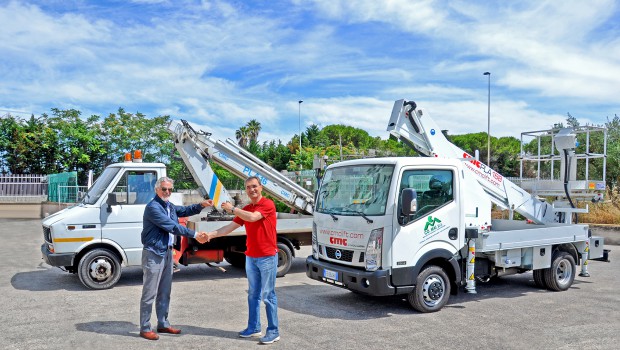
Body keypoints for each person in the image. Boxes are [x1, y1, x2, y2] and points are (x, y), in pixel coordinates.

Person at [207, 176, 280, 345]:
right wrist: (211, 235)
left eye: (254, 186)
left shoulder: (267, 204)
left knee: (268, 295)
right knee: (253, 294)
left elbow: (253, 217)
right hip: (251, 257)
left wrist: (232, 208)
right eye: (248, 187)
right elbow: (229, 227)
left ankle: (273, 331)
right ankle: (254, 328)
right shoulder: (246, 208)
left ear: (261, 187)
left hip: (267, 256)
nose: (252, 189)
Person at [139, 176, 211, 341]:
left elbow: (184, 211)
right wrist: (195, 234)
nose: (167, 192)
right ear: (157, 189)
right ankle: (144, 328)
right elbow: (172, 226)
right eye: (164, 189)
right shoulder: (153, 207)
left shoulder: (169, 206)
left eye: (170, 189)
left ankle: (163, 323)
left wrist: (201, 205)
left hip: (167, 252)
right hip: (153, 253)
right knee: (150, 293)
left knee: (165, 292)